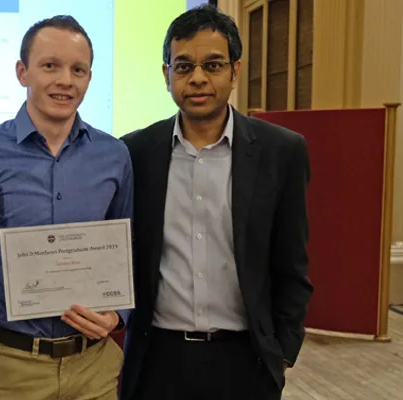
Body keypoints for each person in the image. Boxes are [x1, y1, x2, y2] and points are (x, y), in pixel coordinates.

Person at [119, 5, 313, 400]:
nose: (198, 79)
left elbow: (292, 262)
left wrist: (283, 352)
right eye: (184, 66)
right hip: (158, 359)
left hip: (246, 360)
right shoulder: (135, 152)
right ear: (166, 74)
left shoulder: (282, 151)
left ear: (235, 71)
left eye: (213, 64)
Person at [0, 15, 133, 400]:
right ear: (22, 72)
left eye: (78, 69)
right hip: (11, 368)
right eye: (50, 65)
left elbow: (126, 253)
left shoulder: (115, 156)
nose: (65, 80)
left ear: (89, 78)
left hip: (93, 368)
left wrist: (119, 315)